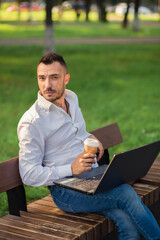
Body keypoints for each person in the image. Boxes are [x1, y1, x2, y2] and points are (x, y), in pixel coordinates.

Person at [17, 52, 160, 240]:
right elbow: (28, 174)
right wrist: (71, 168)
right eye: (42, 78)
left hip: (91, 177)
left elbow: (80, 133)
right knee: (125, 193)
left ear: (66, 79)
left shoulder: (72, 98)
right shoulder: (32, 123)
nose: (47, 85)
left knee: (125, 220)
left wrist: (91, 138)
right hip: (65, 191)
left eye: (54, 77)